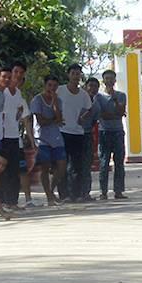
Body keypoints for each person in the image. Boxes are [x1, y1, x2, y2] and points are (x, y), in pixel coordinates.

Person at [57, 65, 95, 203]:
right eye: (73, 73)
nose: (75, 76)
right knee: (62, 165)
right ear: (68, 75)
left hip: (78, 133)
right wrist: (57, 116)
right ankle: (64, 194)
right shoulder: (60, 90)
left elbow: (89, 109)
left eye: (78, 74)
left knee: (76, 165)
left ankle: (77, 193)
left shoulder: (84, 94)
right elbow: (51, 101)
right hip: (62, 131)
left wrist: (82, 118)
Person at [94, 68, 128, 200]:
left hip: (118, 131)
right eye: (106, 78)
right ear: (103, 81)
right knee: (104, 162)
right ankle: (103, 191)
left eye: (111, 78)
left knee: (119, 162)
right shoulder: (99, 97)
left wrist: (114, 102)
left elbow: (120, 112)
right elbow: (100, 115)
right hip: (104, 132)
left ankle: (118, 191)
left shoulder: (121, 95)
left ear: (115, 80)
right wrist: (113, 114)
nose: (109, 81)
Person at [32, 75, 65, 206]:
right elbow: (41, 121)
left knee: (62, 167)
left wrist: (55, 102)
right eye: (49, 85)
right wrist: (54, 121)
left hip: (56, 137)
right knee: (45, 167)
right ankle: (48, 195)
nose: (52, 88)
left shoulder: (59, 100)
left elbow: (59, 117)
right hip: (42, 138)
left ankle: (51, 190)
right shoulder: (37, 100)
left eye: (55, 86)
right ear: (45, 85)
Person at [0, 62, 28, 209]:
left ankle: (13, 201)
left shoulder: (17, 93)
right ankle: (2, 201)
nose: (17, 75)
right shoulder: (1, 91)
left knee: (14, 170)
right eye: (15, 71)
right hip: (2, 136)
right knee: (2, 170)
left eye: (20, 73)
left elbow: (19, 113)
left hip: (14, 136)